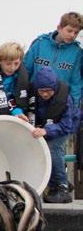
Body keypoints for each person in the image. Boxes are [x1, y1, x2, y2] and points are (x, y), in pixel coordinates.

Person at [30, 66, 79, 203]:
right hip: (43, 126)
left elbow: (66, 125)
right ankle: (55, 182)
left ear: (55, 88)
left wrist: (47, 130)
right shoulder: (32, 94)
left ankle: (61, 185)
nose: (45, 94)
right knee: (39, 148)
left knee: (53, 148)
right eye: (42, 91)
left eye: (48, 91)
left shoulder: (65, 99)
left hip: (65, 127)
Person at [24, 12, 82, 107]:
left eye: (76, 33)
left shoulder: (77, 52)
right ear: (59, 28)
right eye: (69, 31)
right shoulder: (39, 43)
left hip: (59, 102)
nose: (72, 35)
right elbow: (26, 71)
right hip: (34, 99)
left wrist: (75, 107)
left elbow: (76, 82)